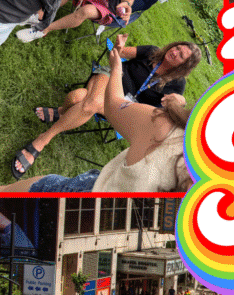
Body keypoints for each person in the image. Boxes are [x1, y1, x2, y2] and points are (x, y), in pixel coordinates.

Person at [5, 41, 193, 191]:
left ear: (184, 66)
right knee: (93, 103)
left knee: (79, 97)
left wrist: (179, 102)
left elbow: (167, 108)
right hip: (110, 76)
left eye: (181, 55)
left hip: (123, 106)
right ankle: (42, 141)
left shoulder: (177, 85)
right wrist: (120, 46)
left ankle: (62, 112)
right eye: (177, 48)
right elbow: (120, 52)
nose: (175, 52)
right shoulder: (152, 52)